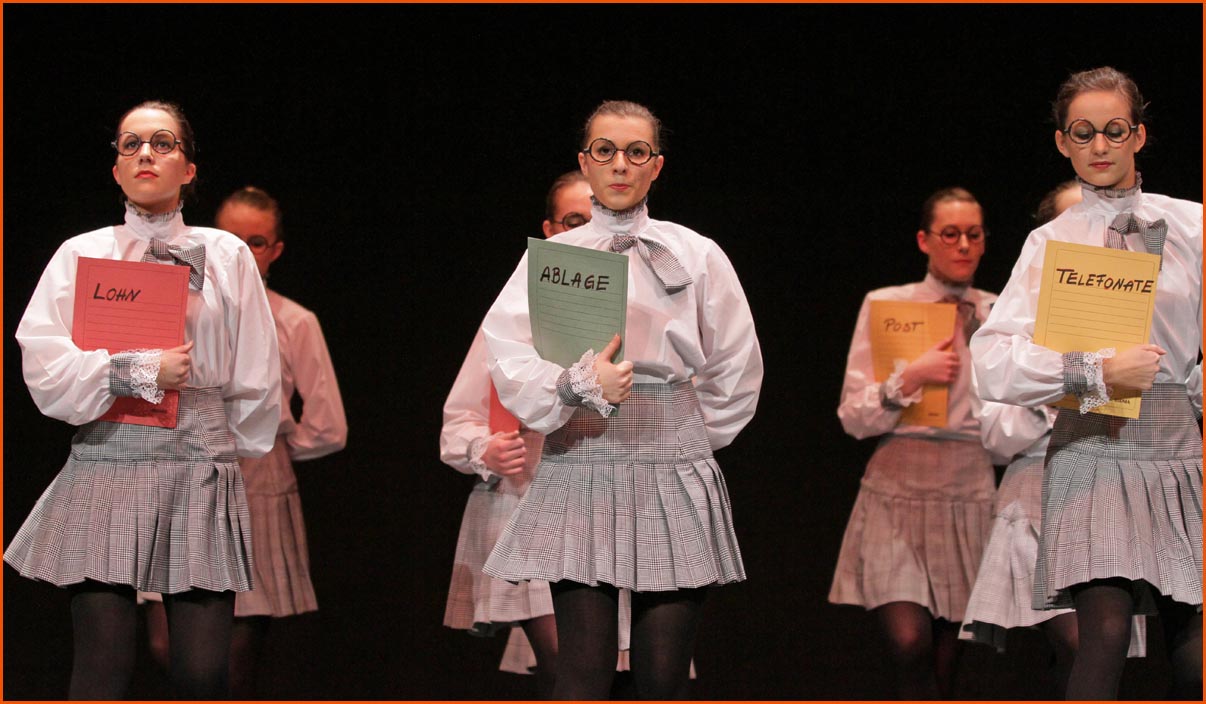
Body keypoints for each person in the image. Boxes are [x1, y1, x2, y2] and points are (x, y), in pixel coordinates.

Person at [479, 100, 762, 699]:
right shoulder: (556, 257)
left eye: (636, 152)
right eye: (605, 150)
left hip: (670, 462)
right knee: (583, 670)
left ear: (656, 166)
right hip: (584, 455)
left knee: (663, 675)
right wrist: (574, 386)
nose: (620, 164)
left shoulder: (695, 252)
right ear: (586, 162)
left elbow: (737, 364)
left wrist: (686, 433)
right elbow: (506, 351)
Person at [4, 100, 280, 699]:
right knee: (103, 667)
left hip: (197, 463)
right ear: (116, 170)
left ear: (188, 168)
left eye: (162, 142)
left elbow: (256, 369)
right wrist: (138, 370)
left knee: (202, 674)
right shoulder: (82, 253)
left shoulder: (227, 254)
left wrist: (224, 445)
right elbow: (43, 362)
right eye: (130, 144)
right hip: (110, 455)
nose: (145, 153)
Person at [971, 66, 1202, 700]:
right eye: (1083, 132)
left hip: (1176, 448)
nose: (1100, 145)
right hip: (1093, 443)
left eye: (1114, 130)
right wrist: (1095, 372)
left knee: (1195, 652)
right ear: (1062, 143)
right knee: (1104, 632)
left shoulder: (1192, 225)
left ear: (1138, 135)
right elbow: (991, 360)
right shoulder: (1050, 241)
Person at [142, 186, 348, 697]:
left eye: (255, 242)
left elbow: (328, 424)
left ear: (275, 251)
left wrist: (273, 446)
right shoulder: (178, 308)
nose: (241, 250)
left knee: (232, 656)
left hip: (254, 481)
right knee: (168, 644)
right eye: (230, 237)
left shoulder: (294, 320)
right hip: (180, 471)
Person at [959, 182, 1146, 698]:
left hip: (1117, 485)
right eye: (1076, 225)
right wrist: (1063, 389)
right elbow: (996, 436)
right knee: (1085, 640)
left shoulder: (1137, 312)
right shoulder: (1017, 330)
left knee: (1105, 649)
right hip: (1041, 488)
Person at [830, 187, 996, 699]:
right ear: (924, 240)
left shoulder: (1000, 313)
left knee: (948, 662)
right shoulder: (888, 305)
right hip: (898, 486)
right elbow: (853, 417)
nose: (963, 245)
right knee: (909, 643)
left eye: (973, 235)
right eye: (950, 234)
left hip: (969, 487)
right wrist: (910, 378)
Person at [440, 170, 592, 697]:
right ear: (549, 231)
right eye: (573, 221)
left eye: (596, 221)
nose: (584, 233)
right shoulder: (515, 314)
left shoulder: (637, 310)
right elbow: (458, 421)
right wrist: (484, 449)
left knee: (620, 674)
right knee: (570, 667)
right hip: (530, 503)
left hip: (609, 505)